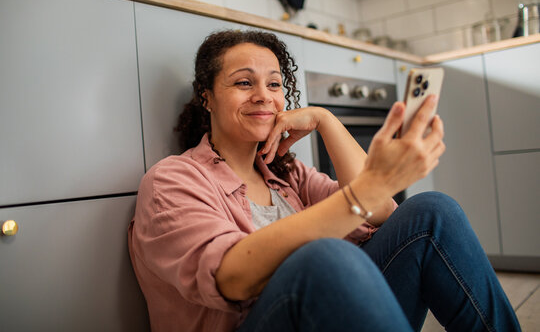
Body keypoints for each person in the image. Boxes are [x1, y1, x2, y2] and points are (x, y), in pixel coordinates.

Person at [128, 30, 521, 332]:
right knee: (323, 256)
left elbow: (382, 211)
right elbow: (232, 278)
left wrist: (324, 119)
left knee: (432, 211)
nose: (264, 95)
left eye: (275, 84)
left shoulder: (286, 174)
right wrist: (362, 194)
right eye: (244, 83)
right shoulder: (173, 180)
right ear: (207, 97)